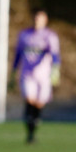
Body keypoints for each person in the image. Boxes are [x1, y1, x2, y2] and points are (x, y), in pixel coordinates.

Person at [12, 8, 61, 144]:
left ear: (45, 21)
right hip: (27, 75)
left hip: (43, 76)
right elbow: (18, 54)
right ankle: (30, 132)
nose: (37, 21)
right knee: (29, 100)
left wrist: (55, 69)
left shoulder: (49, 36)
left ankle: (34, 123)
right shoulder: (24, 35)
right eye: (35, 18)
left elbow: (55, 54)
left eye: (40, 18)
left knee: (39, 104)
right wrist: (13, 71)